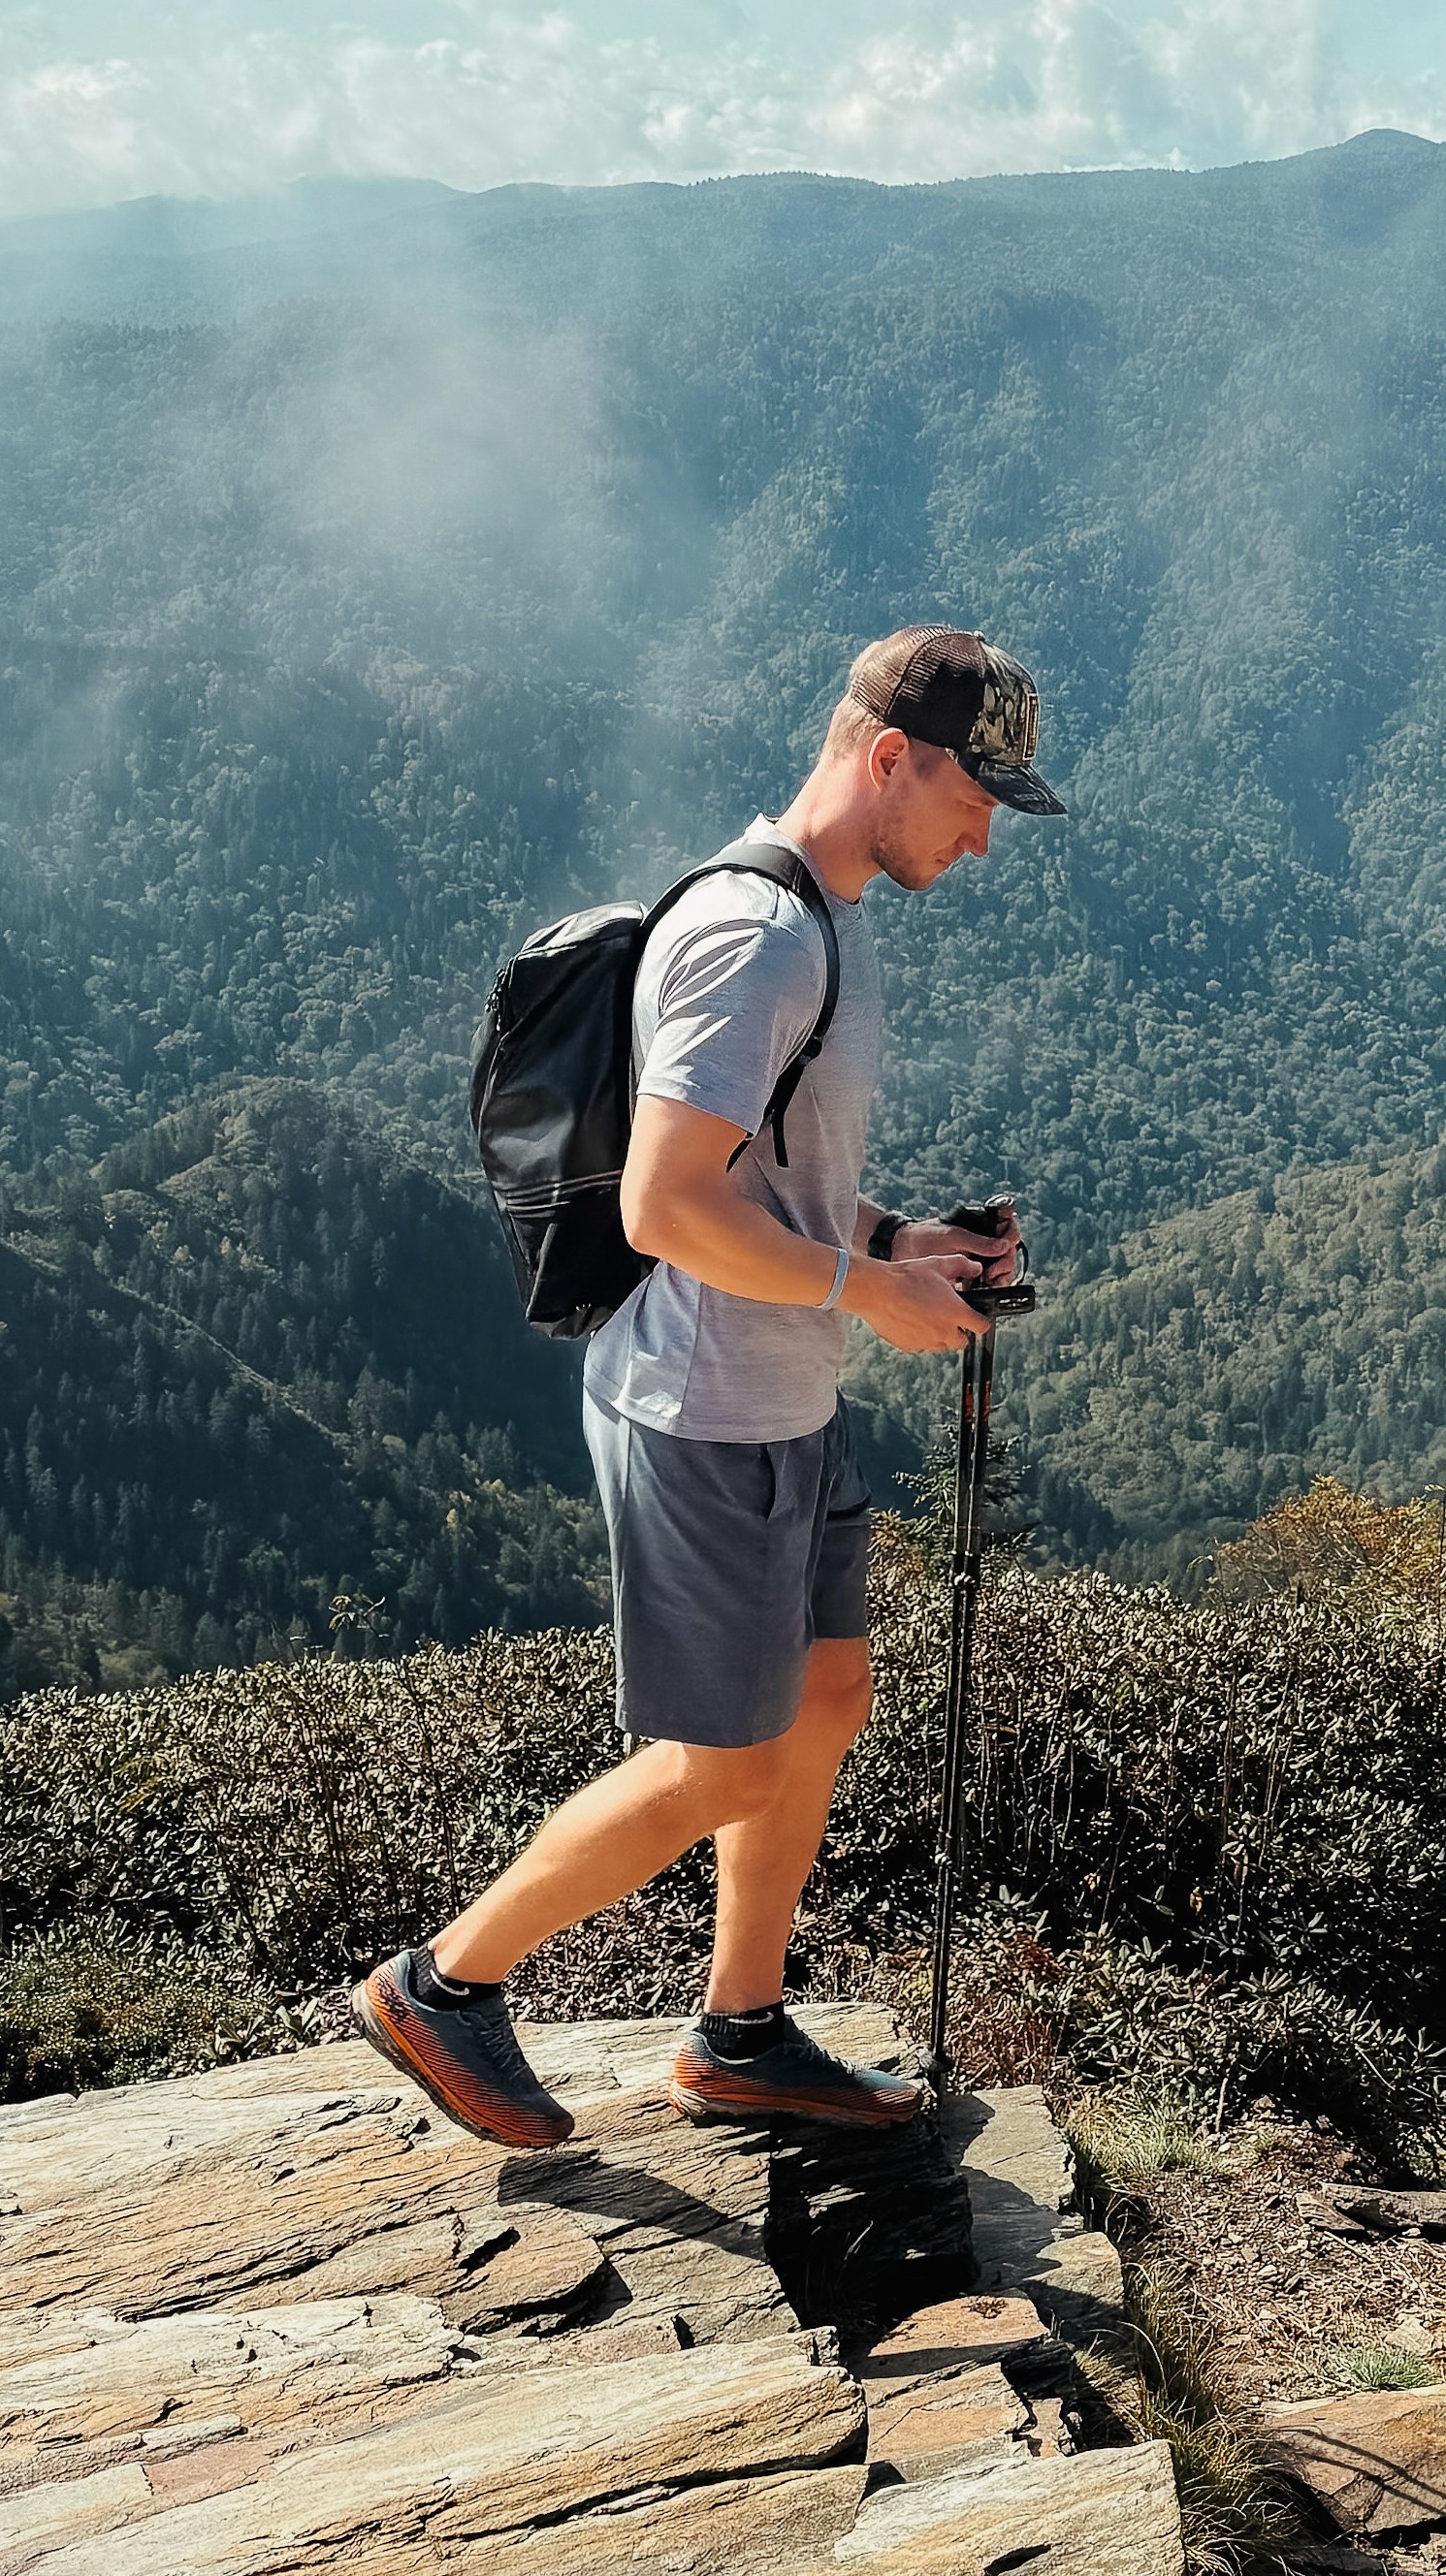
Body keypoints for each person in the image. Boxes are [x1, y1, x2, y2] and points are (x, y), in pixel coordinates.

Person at [354, 626, 1064, 2145]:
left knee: (824, 1699)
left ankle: (740, 2031)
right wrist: (868, 1292)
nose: (988, 828)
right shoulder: (762, 937)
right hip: (704, 1408)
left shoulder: (832, 914)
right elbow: (665, 1208)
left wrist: (897, 1240)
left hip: (783, 1390)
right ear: (889, 760)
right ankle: (442, 1985)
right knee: (721, 1759)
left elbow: (765, 1174)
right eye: (974, 793)